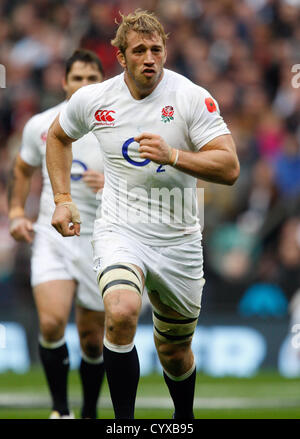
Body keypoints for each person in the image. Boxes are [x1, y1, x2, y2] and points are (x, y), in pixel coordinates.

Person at [46, 10, 240, 419]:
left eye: (156, 49)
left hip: (178, 239)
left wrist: (173, 155)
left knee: (174, 352)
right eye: (139, 50)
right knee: (119, 312)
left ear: (165, 51)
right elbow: (59, 137)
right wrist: (63, 198)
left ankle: (183, 421)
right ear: (121, 57)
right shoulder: (95, 100)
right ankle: (124, 426)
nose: (150, 58)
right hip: (121, 228)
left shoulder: (190, 97)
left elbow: (229, 167)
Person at [8, 49, 106, 419]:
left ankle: (90, 412)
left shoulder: (116, 127)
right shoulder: (42, 125)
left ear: (103, 83)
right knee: (50, 323)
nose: (83, 85)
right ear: (64, 82)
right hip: (54, 235)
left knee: (93, 341)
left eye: (91, 79)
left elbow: (151, 180)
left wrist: (114, 185)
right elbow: (21, 169)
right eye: (77, 78)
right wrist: (17, 212)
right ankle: (60, 410)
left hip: (101, 237)